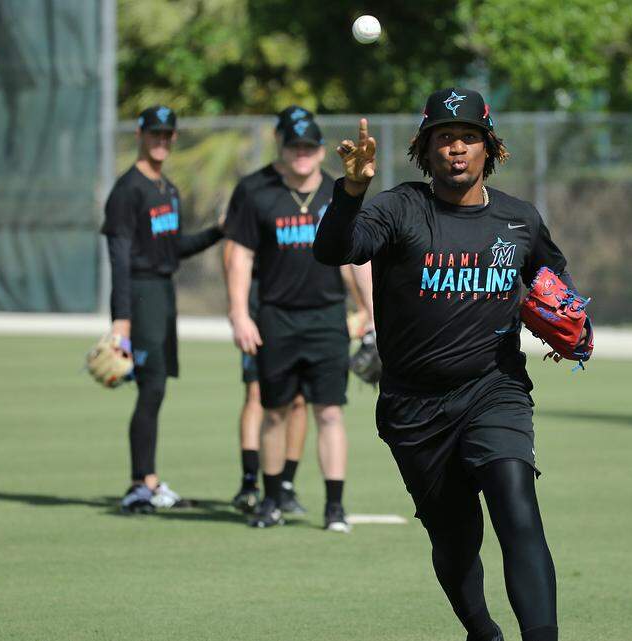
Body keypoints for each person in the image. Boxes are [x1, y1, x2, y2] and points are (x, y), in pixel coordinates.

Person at [314, 88, 589, 641]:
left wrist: (574, 324)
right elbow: (332, 249)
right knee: (456, 538)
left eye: (468, 137)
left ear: (489, 148)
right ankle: (483, 633)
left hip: (495, 388)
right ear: (425, 148)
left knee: (516, 506)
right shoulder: (398, 208)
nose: (456, 148)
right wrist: (352, 190)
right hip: (414, 405)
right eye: (444, 137)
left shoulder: (519, 220)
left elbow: (555, 288)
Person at [225, 106, 373, 532]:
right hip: (275, 316)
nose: (302, 153)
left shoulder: (338, 192)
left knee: (329, 412)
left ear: (321, 149)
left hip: (328, 316)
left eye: (310, 146)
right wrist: (239, 313)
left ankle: (334, 508)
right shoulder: (257, 191)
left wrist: (369, 311)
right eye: (295, 145)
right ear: (282, 146)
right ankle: (271, 500)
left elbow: (355, 258)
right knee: (273, 410)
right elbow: (240, 257)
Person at [101, 105, 225, 514]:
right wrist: (121, 321)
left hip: (163, 293)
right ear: (140, 135)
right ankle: (141, 483)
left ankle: (149, 480)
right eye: (154, 133)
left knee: (156, 388)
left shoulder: (167, 189)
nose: (162, 140)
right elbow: (118, 256)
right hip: (140, 293)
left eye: (168, 134)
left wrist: (218, 232)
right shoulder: (128, 190)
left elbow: (175, 247)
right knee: (150, 388)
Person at [223, 241, 310, 515]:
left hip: (306, 310)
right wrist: (238, 311)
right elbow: (232, 254)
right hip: (262, 308)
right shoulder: (259, 199)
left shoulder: (320, 201)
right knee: (257, 395)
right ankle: (250, 482)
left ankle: (285, 485)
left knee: (298, 400)